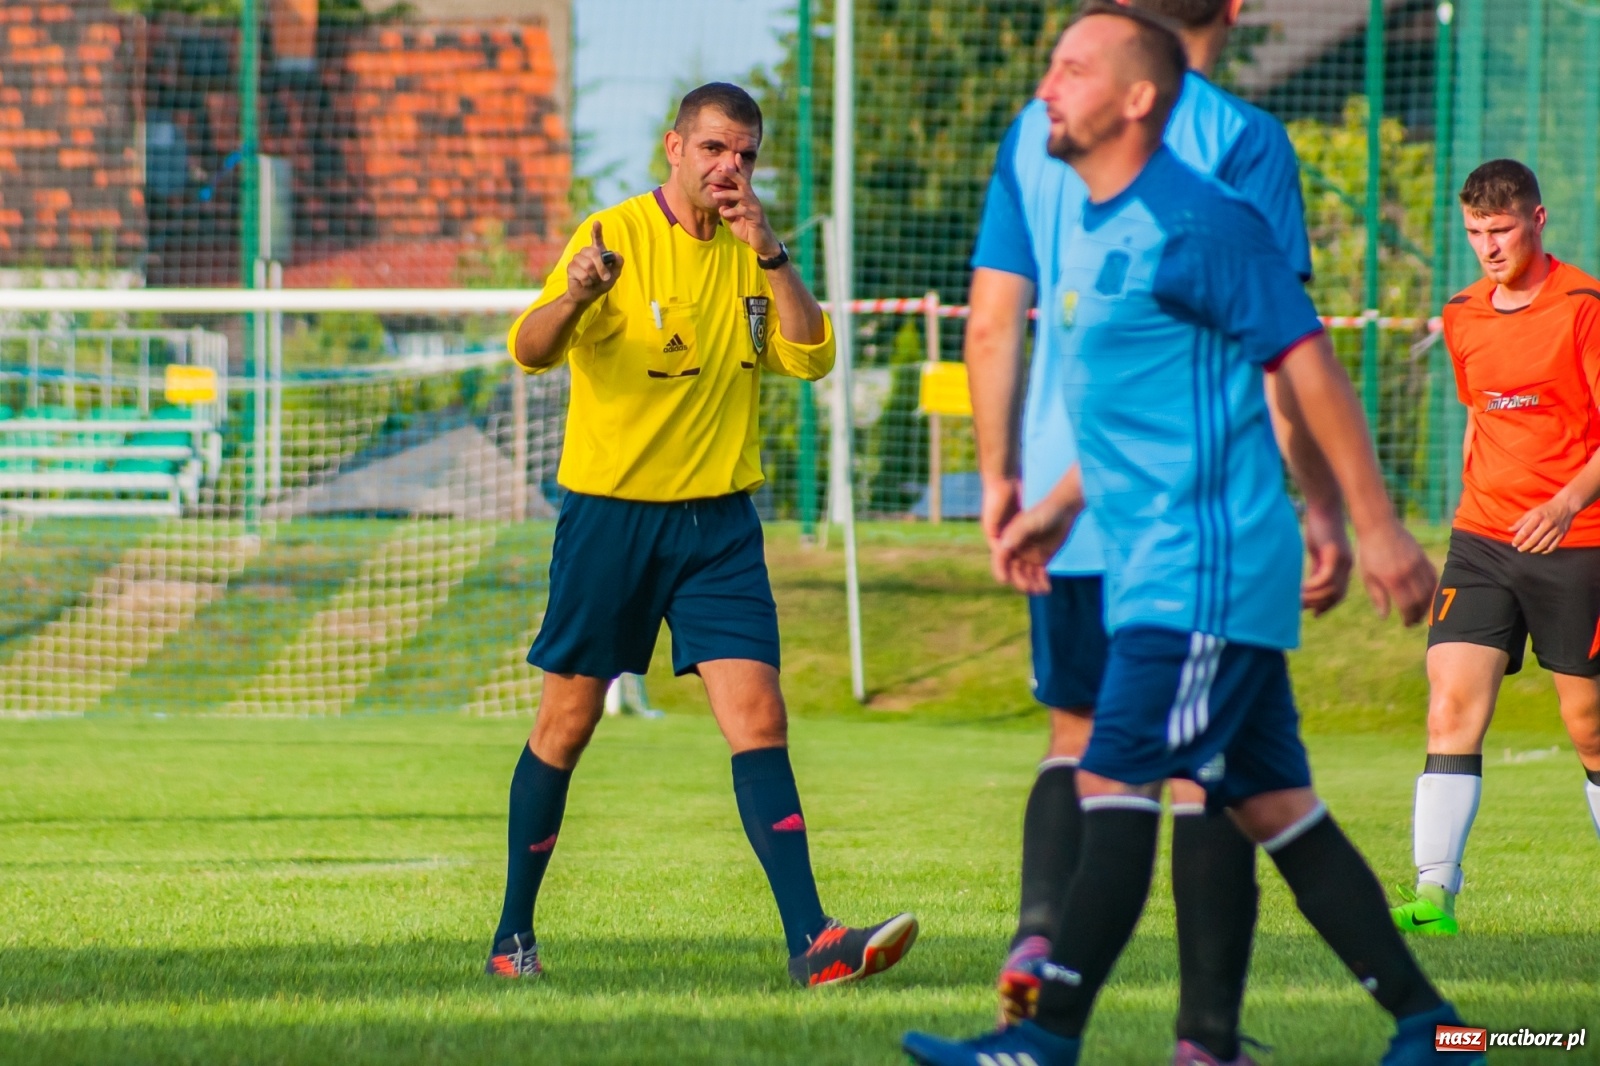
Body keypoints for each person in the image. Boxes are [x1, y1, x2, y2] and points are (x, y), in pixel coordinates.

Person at [903, 7, 1476, 1065]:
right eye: (1048, 67)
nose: (1045, 87)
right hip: (1155, 566)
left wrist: (1376, 527)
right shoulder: (1086, 215)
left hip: (1202, 569)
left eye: (1071, 70)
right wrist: (1057, 504)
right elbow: (1150, 397)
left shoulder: (1197, 221)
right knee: (1276, 807)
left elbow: (1303, 366)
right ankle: (1436, 1026)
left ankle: (1043, 1040)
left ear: (1135, 99)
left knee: (1110, 773)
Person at [965, 1, 1349, 1060]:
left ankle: (1040, 938)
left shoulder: (1038, 120)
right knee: (1203, 771)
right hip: (1185, 506)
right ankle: (1202, 1033)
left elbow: (994, 315)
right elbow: (1280, 351)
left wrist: (1000, 477)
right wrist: (1317, 502)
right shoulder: (1235, 135)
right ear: (1233, 7)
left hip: (1060, 480)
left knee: (1075, 736)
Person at [488, 81, 918, 987]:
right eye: (716, 148)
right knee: (564, 727)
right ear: (673, 148)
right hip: (612, 519)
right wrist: (572, 297)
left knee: (759, 717)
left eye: (747, 155)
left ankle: (814, 943)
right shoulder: (612, 236)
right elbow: (529, 349)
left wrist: (772, 252)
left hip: (719, 525)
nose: (732, 168)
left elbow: (813, 356)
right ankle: (511, 937)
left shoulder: (756, 253)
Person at [1391, 159, 1600, 937]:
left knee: (1588, 725)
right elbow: (1482, 414)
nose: (1488, 246)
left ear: (1538, 222)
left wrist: (1567, 499)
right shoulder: (1462, 312)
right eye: (1475, 232)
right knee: (1449, 706)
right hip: (1482, 540)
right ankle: (1435, 896)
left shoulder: (1584, 307)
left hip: (1577, 539)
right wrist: (1469, 512)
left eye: (1501, 230)